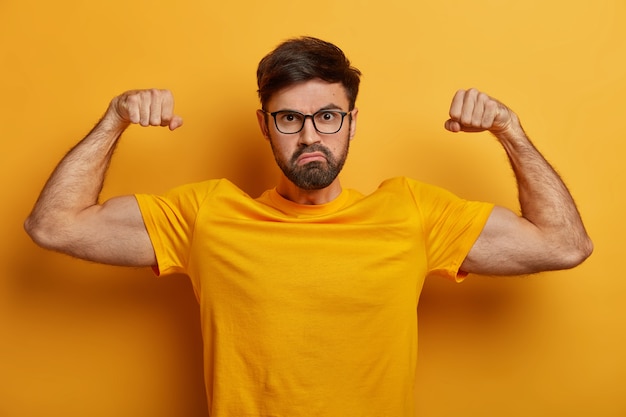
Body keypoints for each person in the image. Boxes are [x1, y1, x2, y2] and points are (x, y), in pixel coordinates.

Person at [24, 36, 592, 416]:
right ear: (265, 125)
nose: (310, 135)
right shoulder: (207, 217)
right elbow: (54, 226)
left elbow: (565, 245)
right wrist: (114, 121)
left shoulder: (413, 214)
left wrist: (510, 131)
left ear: (350, 122)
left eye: (328, 116)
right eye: (289, 118)